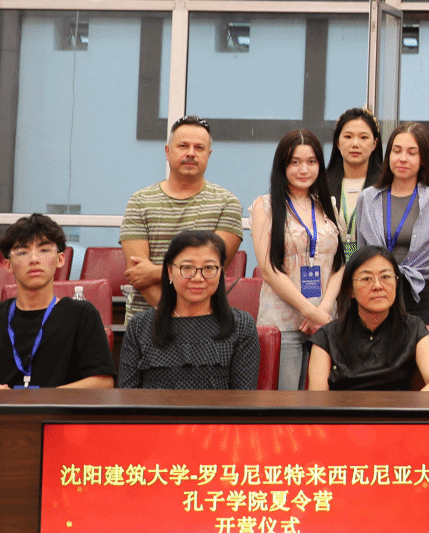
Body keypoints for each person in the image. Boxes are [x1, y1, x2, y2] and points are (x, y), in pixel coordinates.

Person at [0, 215, 113, 390]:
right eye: (22, 252)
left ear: (60, 260)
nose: (34, 259)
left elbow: (103, 383)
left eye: (44, 250)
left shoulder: (81, 315)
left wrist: (34, 399)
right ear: (8, 265)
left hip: (53, 410)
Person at [120, 116, 245, 325]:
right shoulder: (139, 201)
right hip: (146, 323)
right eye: (183, 146)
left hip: (205, 324)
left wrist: (155, 271)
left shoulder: (227, 203)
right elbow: (139, 276)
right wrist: (178, 317)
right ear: (167, 151)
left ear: (208, 155)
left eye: (199, 148)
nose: (191, 153)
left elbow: (211, 271)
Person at [250, 129, 344, 391]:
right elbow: (268, 269)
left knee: (320, 401)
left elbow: (345, 258)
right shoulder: (264, 206)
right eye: (295, 162)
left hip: (325, 321)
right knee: (286, 401)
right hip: (283, 322)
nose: (304, 169)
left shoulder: (329, 204)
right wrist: (309, 310)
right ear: (282, 165)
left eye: (311, 161)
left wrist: (323, 309)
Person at [117, 230, 260, 389]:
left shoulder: (241, 326)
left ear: (220, 272)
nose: (198, 277)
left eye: (209, 268)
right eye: (187, 267)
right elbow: (128, 397)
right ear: (170, 272)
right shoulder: (140, 326)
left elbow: (243, 398)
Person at [354, 122, 429, 329]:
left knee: (423, 350)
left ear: (423, 159)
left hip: (424, 295)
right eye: (396, 150)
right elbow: (361, 254)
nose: (402, 158)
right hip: (378, 292)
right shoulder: (368, 198)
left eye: (412, 153)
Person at [307, 246, 429, 391]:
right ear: (350, 289)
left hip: (399, 405)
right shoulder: (326, 336)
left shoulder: (413, 328)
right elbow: (318, 397)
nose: (377, 286)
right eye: (366, 278)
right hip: (344, 406)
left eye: (385, 277)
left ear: (396, 282)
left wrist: (410, 405)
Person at [327, 107, 380, 257]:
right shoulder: (321, 184)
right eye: (348, 136)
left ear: (374, 143)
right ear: (338, 142)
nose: (355, 144)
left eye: (363, 137)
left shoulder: (386, 186)